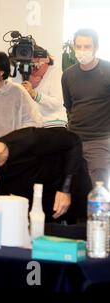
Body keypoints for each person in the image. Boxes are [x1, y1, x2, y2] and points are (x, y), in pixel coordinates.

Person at [0, 127, 92, 223]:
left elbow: (73, 141)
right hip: (44, 209)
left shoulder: (27, 140)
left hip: (73, 190)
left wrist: (65, 189)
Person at [62, 28, 110, 186]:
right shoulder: (68, 75)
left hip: (99, 142)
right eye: (79, 46)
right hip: (73, 140)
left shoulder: (107, 71)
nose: (82, 50)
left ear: (96, 48)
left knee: (98, 191)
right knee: (73, 187)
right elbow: (69, 105)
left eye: (87, 46)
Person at [15, 45, 67, 128]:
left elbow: (56, 103)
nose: (36, 65)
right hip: (29, 124)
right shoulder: (19, 72)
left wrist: (35, 95)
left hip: (53, 123)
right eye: (32, 62)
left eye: (38, 61)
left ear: (47, 60)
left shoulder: (54, 72)